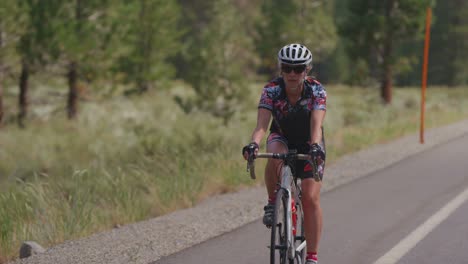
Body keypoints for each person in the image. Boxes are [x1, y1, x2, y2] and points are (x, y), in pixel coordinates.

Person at [242, 43, 326, 264]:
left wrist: (315, 147)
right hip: (281, 136)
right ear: (281, 69)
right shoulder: (271, 89)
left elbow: (317, 124)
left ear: (306, 70)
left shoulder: (316, 90)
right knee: (274, 155)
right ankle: (273, 201)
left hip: (310, 140)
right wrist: (253, 144)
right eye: (287, 68)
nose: (292, 74)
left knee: (310, 198)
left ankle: (312, 257)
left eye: (298, 69)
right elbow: (262, 124)